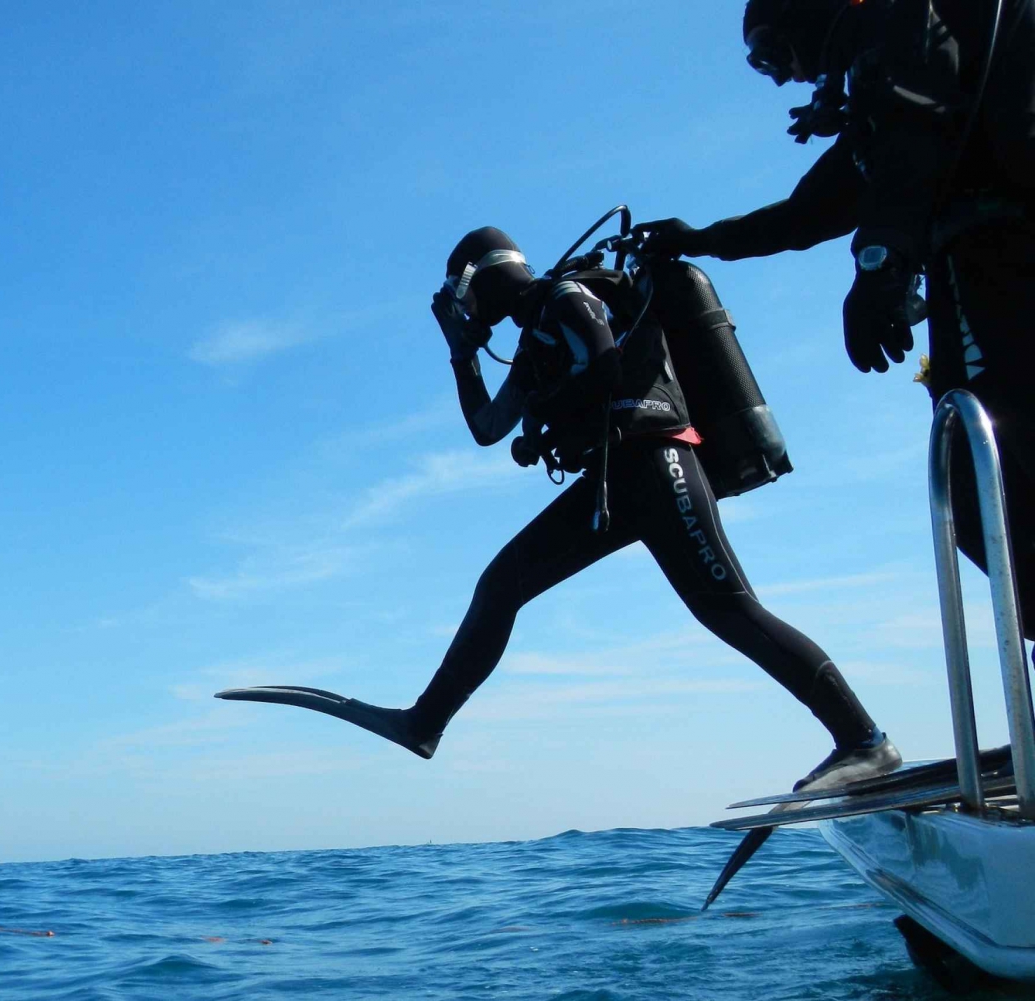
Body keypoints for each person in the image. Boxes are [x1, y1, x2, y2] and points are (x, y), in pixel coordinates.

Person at [218, 226, 900, 792]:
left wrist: (547, 413)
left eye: (460, 301)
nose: (464, 313)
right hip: (618, 480)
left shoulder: (568, 298)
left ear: (472, 281)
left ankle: (864, 738)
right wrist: (462, 357)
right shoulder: (534, 335)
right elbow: (488, 426)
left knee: (728, 607)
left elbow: (607, 370)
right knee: (502, 584)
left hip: (656, 461)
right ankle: (424, 723)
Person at [637, 0, 1035, 633]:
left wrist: (879, 263)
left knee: (991, 481)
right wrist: (702, 238)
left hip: (1002, 264)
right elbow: (811, 210)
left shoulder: (906, 33)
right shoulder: (896, 71)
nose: (782, 76)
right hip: (984, 265)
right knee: (978, 488)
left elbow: (914, 132)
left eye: (772, 52)